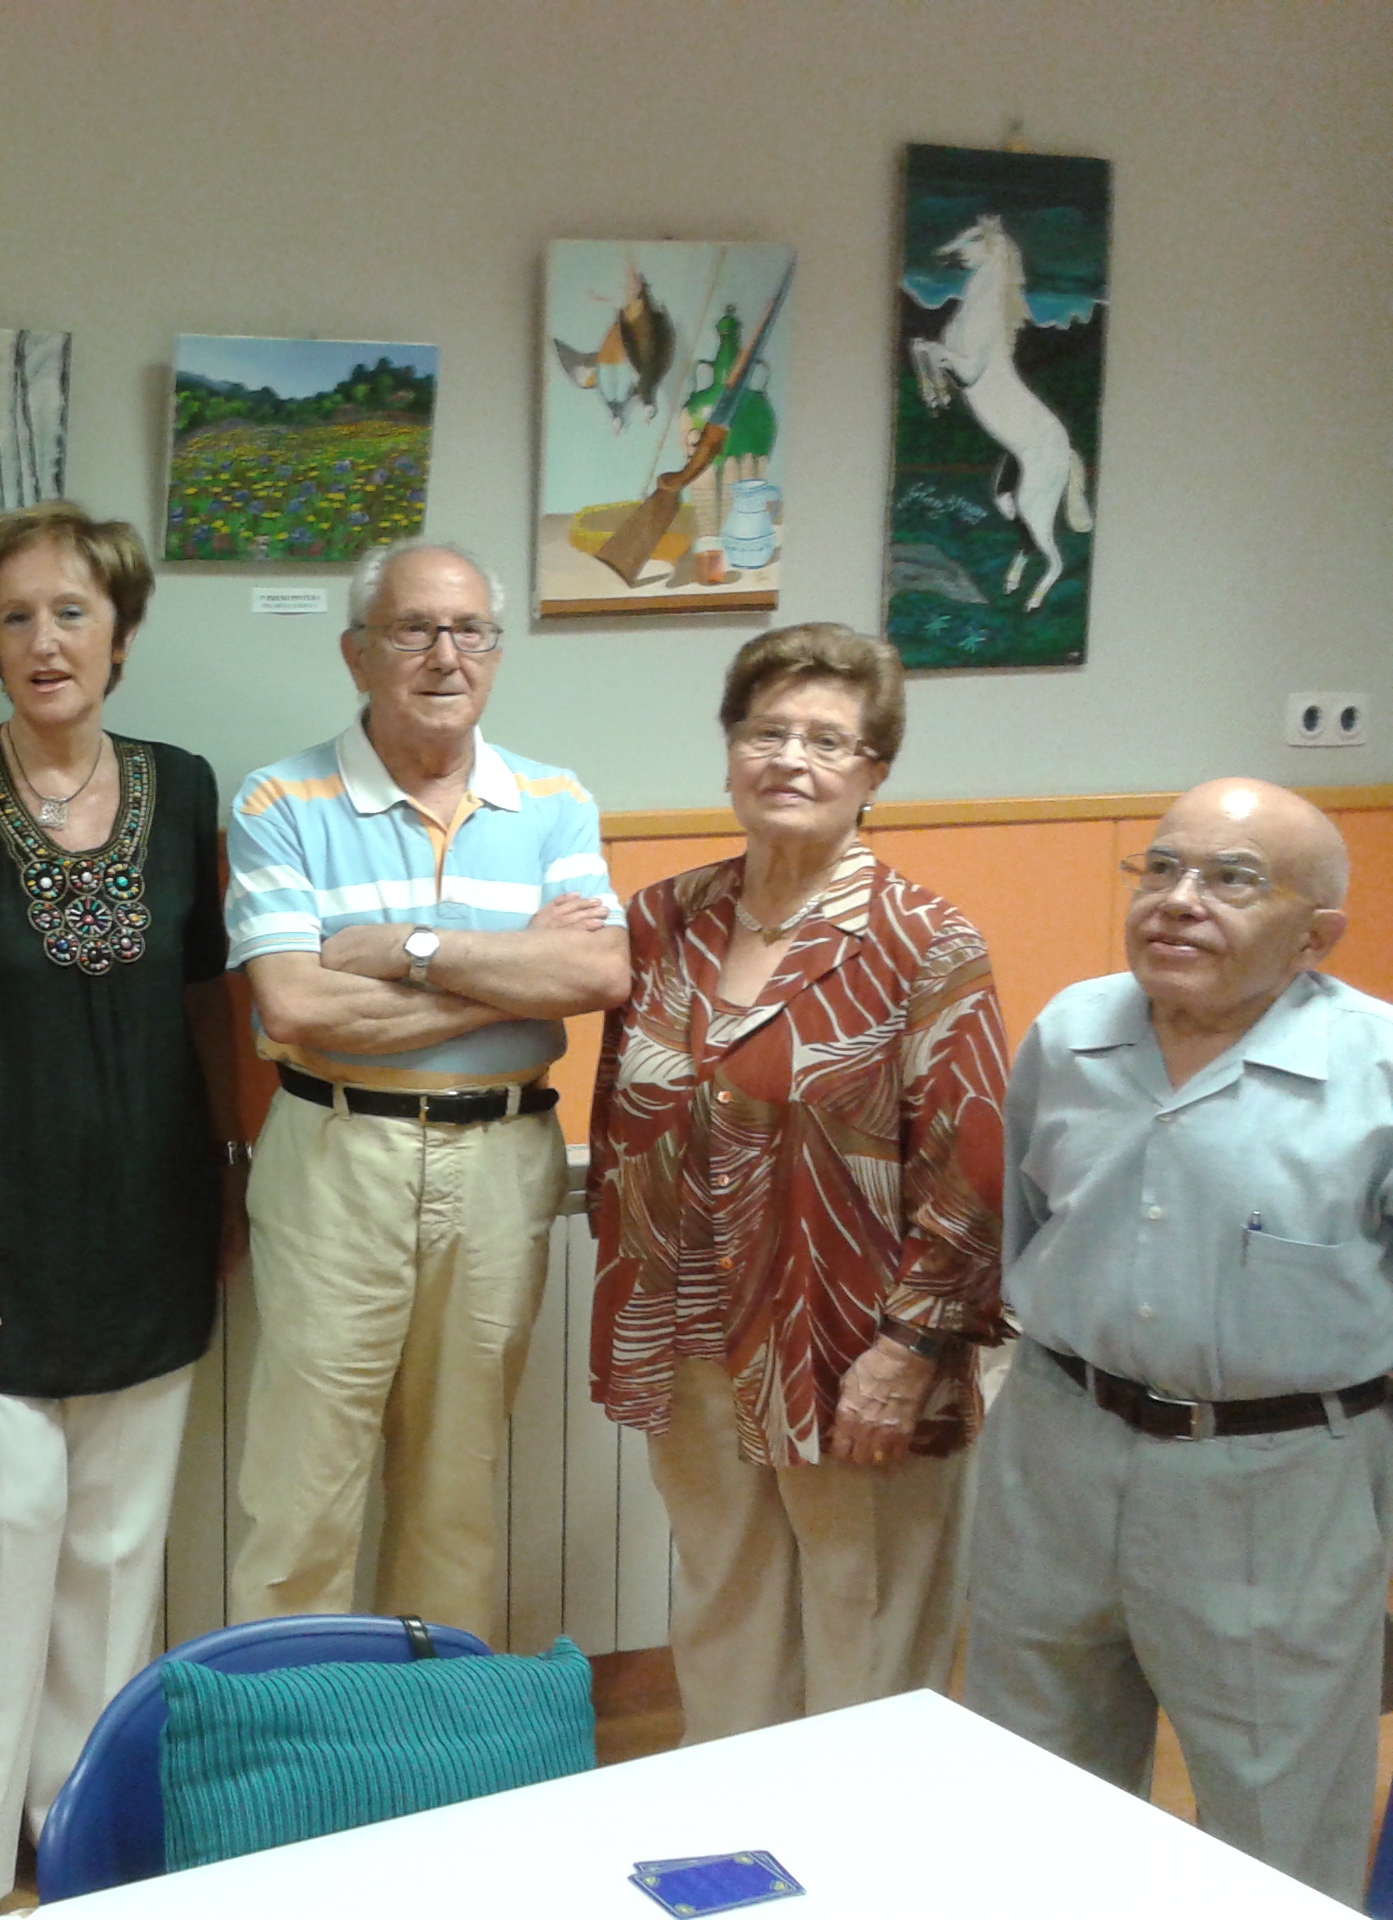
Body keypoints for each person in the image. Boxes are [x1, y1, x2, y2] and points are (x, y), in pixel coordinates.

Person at [0, 502, 236, 1920]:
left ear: (120, 633)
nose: (44, 640)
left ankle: (78, 1856)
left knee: (114, 1566)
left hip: (146, 1228)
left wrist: (230, 1170)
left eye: (71, 612)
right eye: (15, 616)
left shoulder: (183, 787)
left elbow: (204, 1005)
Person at [964, 777, 1390, 1905]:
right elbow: (1026, 1226)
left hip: (1276, 1482)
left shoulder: (1377, 1073)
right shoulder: (1070, 1032)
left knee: (1277, 1811)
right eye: (1160, 868)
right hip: (1055, 1449)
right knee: (1030, 1782)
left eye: (1230, 879)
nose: (1179, 900)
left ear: (1316, 935)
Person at [587, 623, 1008, 1743]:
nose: (790, 759)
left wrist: (907, 1353)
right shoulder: (662, 918)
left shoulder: (924, 942)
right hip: (690, 1337)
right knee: (722, 1609)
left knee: (862, 1631)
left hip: (852, 1351)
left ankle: (856, 1841)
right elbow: (620, 1115)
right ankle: (732, 1829)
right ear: (729, 751)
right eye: (766, 732)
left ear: (875, 773)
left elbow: (973, 1170)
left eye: (828, 741)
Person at [224, 539, 627, 1645]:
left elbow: (598, 974)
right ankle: (290, 1739)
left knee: (456, 1498)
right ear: (357, 653)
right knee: (301, 1495)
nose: (446, 656)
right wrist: (508, 984)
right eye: (414, 629)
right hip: (336, 1160)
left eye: (471, 631)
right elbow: (293, 1007)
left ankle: (425, 1738)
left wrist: (404, 949)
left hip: (503, 1166)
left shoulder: (553, 799)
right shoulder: (281, 797)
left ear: (495, 651)